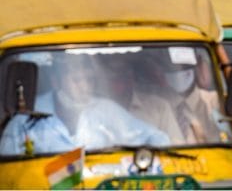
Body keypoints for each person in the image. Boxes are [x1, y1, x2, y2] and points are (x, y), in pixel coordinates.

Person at [0, 56, 169, 155]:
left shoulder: (106, 110)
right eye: (77, 80)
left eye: (89, 80)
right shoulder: (27, 118)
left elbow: (156, 138)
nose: (85, 87)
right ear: (56, 82)